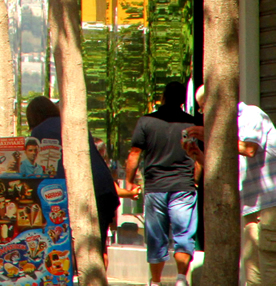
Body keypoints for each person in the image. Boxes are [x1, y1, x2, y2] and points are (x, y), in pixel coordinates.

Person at [184, 84, 276, 285]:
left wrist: (211, 135)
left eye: (203, 107)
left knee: (270, 272)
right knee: (253, 278)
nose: (204, 113)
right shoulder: (225, 132)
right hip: (251, 209)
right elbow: (228, 172)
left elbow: (249, 149)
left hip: (270, 206)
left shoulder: (250, 115)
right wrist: (199, 156)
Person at [124, 80, 197, 286]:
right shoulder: (190, 124)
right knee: (184, 235)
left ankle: (155, 282)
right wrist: (197, 179)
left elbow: (134, 153)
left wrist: (129, 181)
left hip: (155, 187)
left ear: (163, 97)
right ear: (183, 100)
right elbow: (195, 155)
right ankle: (181, 278)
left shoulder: (146, 122)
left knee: (157, 237)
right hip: (183, 185)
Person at [25, 96, 119, 253]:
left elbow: (40, 170)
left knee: (64, 244)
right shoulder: (72, 125)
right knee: (96, 246)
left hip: (73, 191)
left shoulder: (39, 131)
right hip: (102, 186)